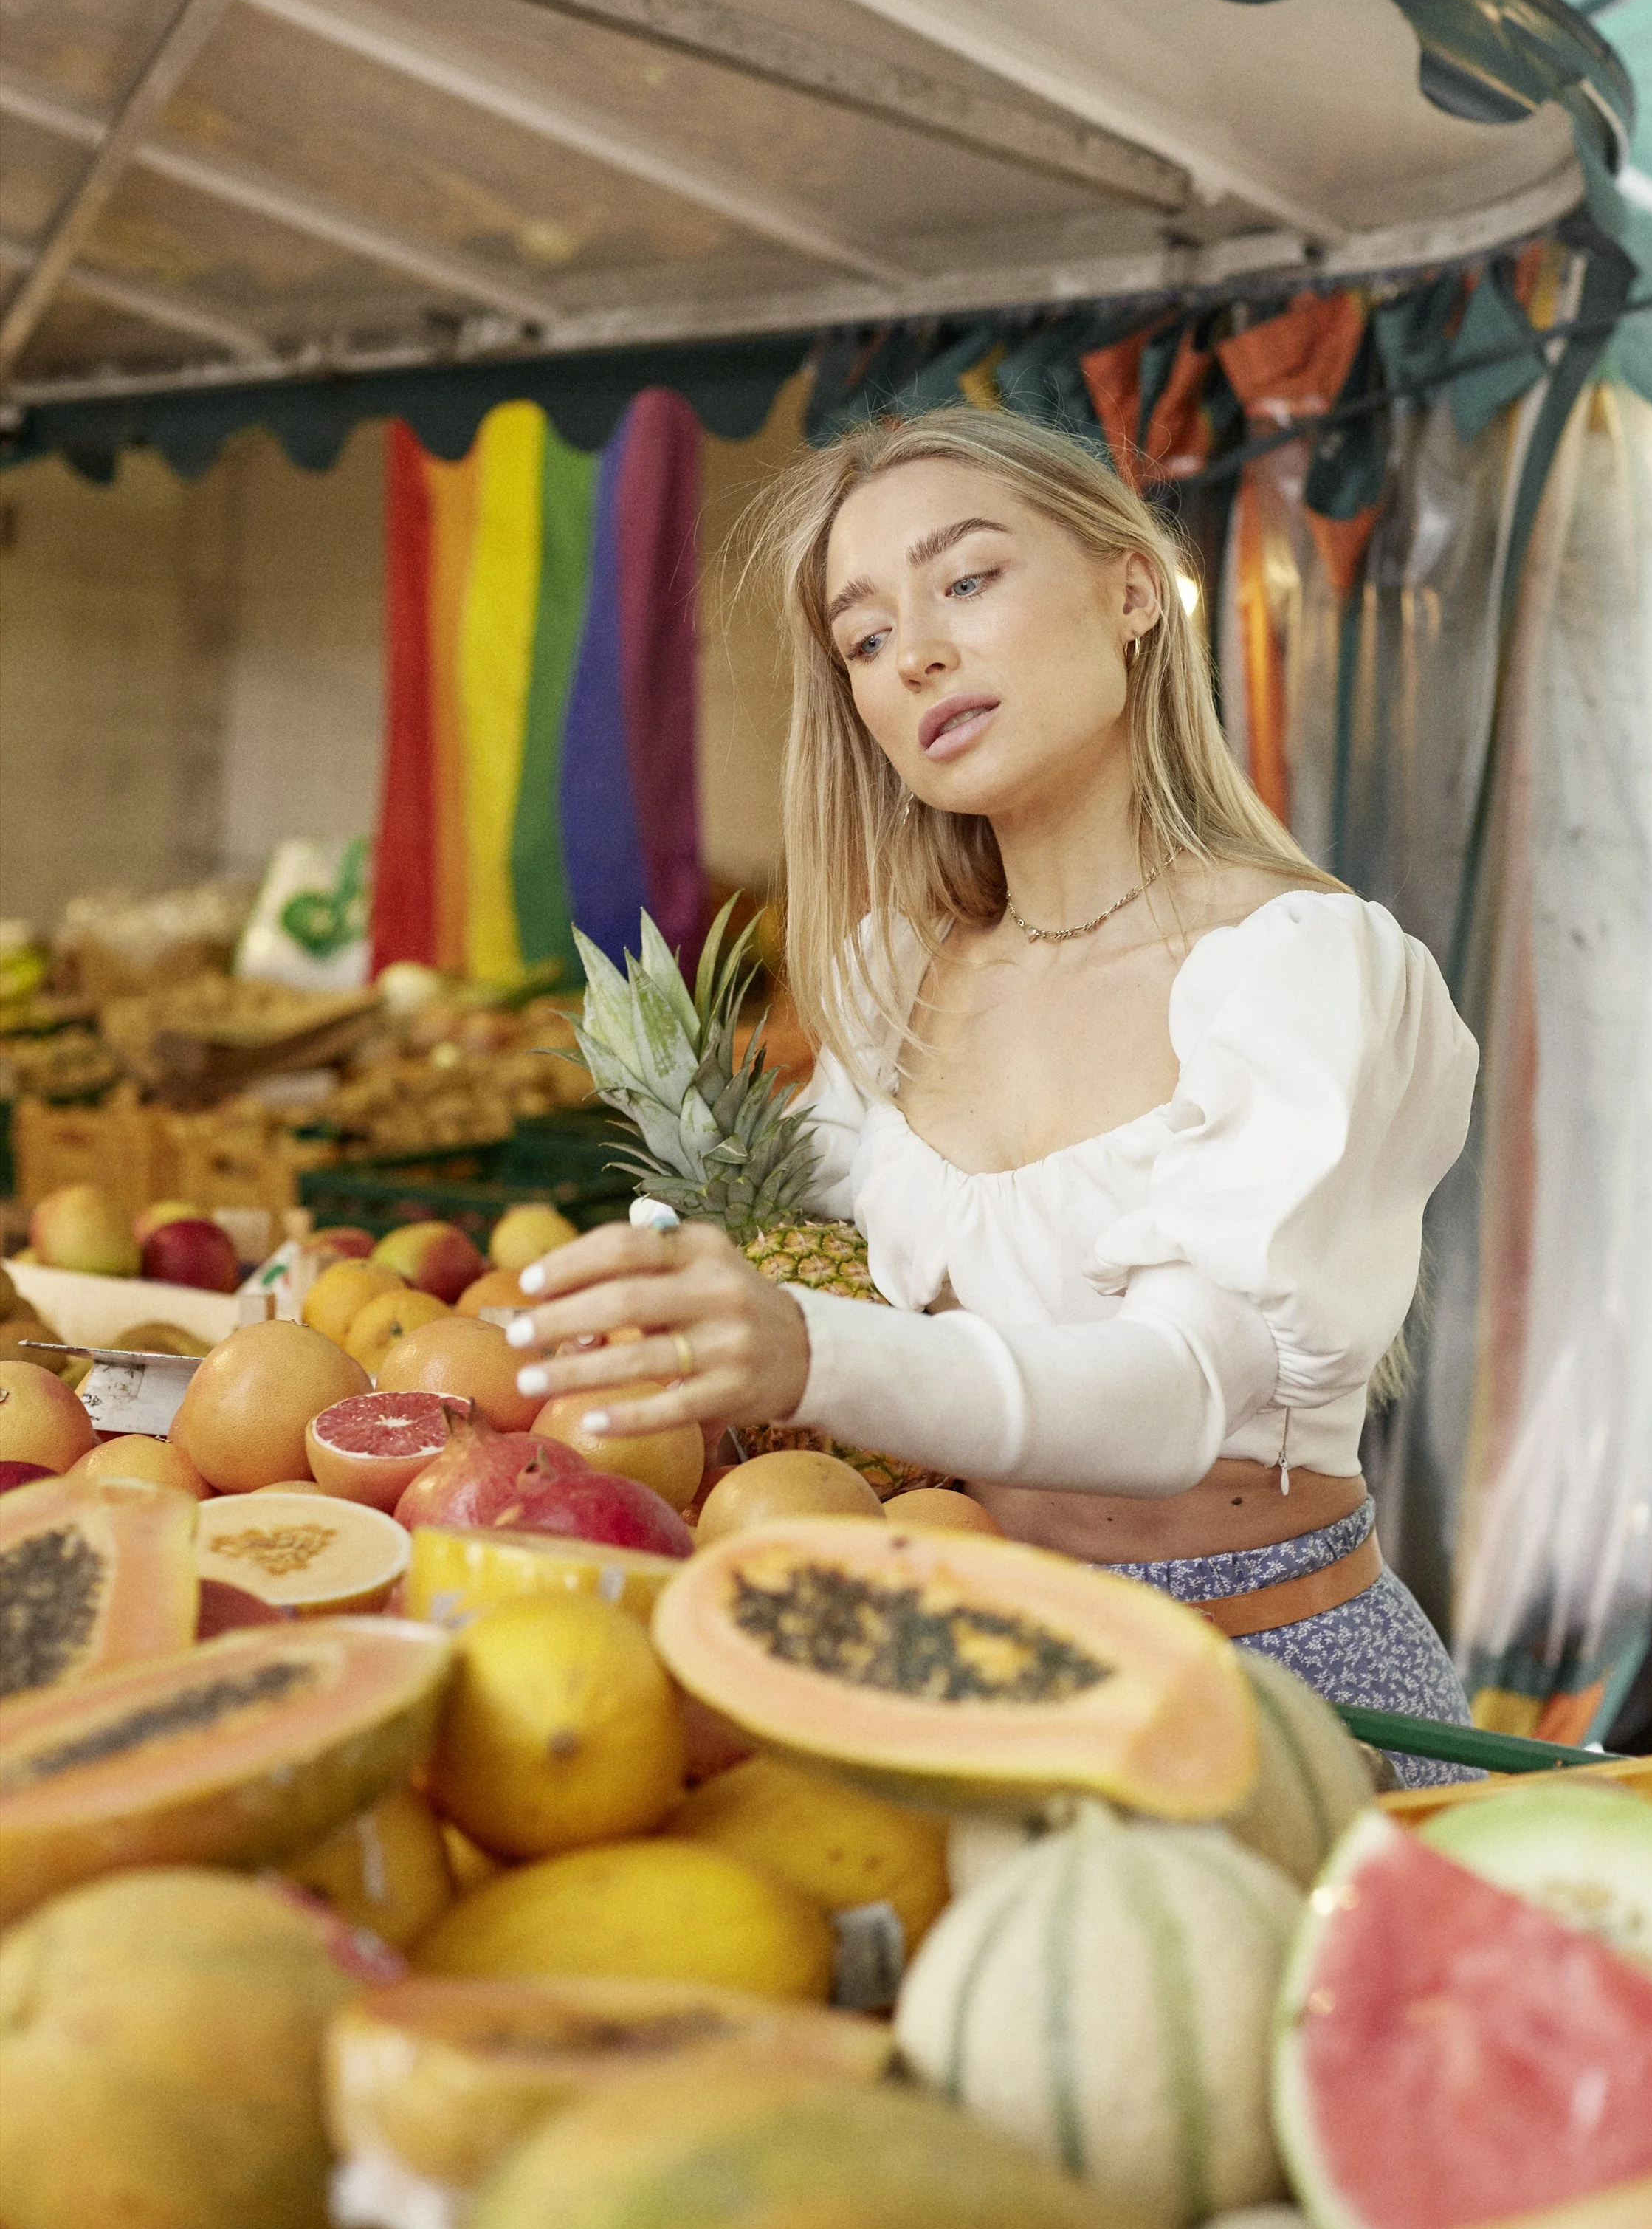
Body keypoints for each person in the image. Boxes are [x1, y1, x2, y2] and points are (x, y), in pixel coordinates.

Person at [507, 408, 1481, 1782]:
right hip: (973, 1668)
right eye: (863, 637)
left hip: (1285, 1701)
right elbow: (808, 1264)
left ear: (1131, 588)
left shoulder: (1305, 972)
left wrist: (804, 1348)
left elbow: (1184, 1388)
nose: (917, 653)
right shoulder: (892, 975)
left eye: (966, 579)